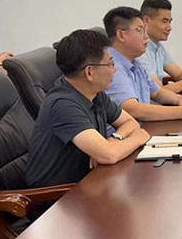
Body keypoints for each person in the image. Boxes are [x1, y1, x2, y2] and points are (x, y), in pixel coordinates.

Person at [26, 30, 150, 187]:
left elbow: (130, 122)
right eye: (110, 64)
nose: (115, 69)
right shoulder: (62, 104)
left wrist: (114, 139)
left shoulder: (95, 93)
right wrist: (138, 137)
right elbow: (109, 155)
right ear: (90, 72)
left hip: (90, 182)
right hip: (56, 196)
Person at [103, 6, 182, 121]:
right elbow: (133, 109)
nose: (146, 36)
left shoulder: (135, 62)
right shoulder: (111, 66)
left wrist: (179, 99)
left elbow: (158, 93)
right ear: (121, 35)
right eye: (140, 31)